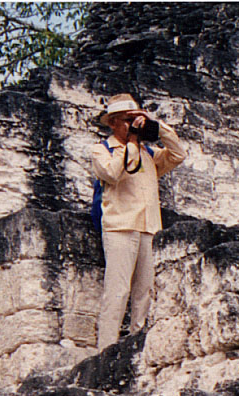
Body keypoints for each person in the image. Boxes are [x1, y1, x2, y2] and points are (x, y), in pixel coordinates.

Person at [91, 93, 187, 349]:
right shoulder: (102, 150)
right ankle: (106, 350)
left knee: (145, 292)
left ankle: (137, 346)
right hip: (120, 226)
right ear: (112, 122)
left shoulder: (149, 153)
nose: (131, 125)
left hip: (149, 226)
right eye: (126, 120)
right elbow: (112, 174)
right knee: (117, 290)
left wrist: (154, 124)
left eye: (134, 119)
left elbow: (178, 154)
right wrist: (132, 142)